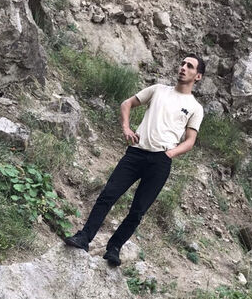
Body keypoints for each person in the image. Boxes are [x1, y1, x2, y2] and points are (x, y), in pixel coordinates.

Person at [64, 53, 206, 266]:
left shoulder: (195, 107)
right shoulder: (158, 90)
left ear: (198, 76)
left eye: (190, 66)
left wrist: (170, 153)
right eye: (182, 63)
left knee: (138, 210)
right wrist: (126, 128)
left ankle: (114, 247)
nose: (183, 67)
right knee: (108, 195)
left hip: (160, 161)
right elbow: (127, 103)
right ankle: (84, 237)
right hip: (136, 153)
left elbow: (190, 141)